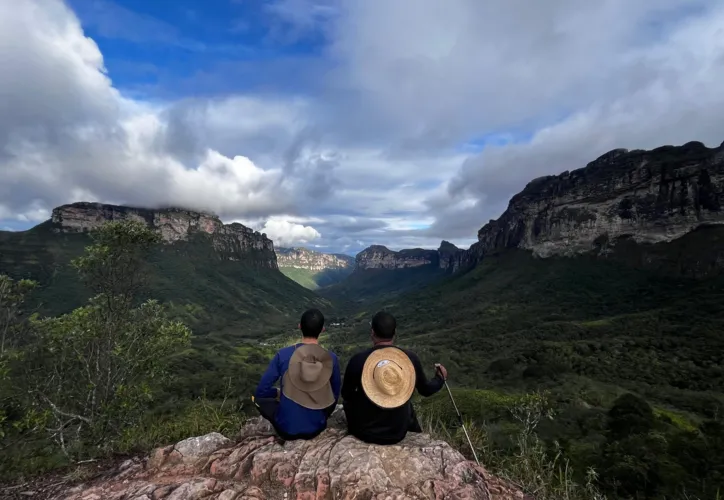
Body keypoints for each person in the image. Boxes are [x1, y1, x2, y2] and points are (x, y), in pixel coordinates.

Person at [341, 310, 448, 445]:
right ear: (395, 333)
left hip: (364, 432)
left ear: (372, 332)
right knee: (407, 403)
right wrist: (440, 379)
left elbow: (346, 395)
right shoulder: (409, 359)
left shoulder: (358, 360)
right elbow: (425, 390)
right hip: (398, 433)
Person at [254, 308, 341, 440]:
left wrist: (277, 393)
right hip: (317, 428)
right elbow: (334, 395)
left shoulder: (282, 355)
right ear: (322, 329)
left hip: (286, 430)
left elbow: (261, 391)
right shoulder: (331, 358)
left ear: (299, 326)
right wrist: (322, 415)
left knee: (257, 400)